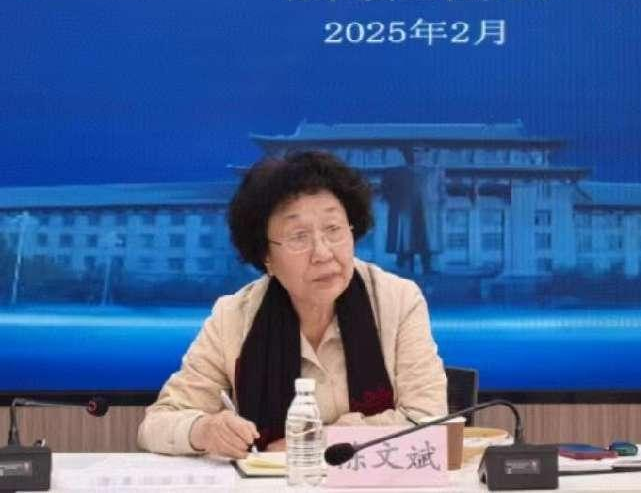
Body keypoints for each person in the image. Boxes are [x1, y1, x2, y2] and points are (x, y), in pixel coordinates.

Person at [137, 150, 448, 458]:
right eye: (299, 236)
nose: (323, 253)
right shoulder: (233, 317)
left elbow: (428, 420)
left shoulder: (397, 300)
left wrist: (320, 441)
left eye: (333, 229)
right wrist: (203, 429)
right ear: (266, 257)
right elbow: (157, 423)